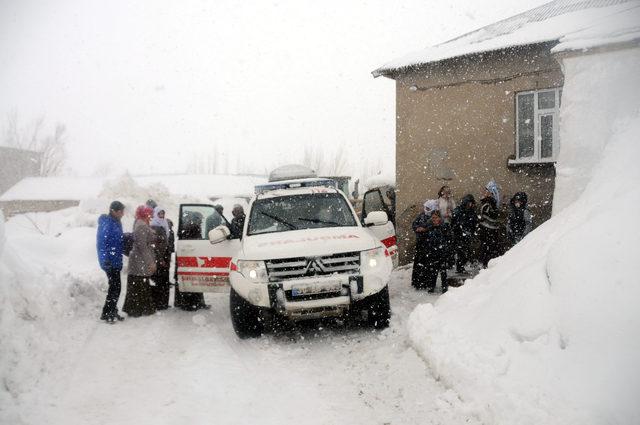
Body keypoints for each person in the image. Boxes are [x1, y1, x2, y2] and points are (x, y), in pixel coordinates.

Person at [123, 205, 157, 317]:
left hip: (138, 260)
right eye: (149, 214)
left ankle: (137, 309)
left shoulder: (140, 223)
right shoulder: (141, 226)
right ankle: (137, 309)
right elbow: (143, 247)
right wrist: (150, 262)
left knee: (138, 285)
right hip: (140, 260)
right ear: (144, 214)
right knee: (140, 285)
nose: (151, 216)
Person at [411, 200, 452, 293]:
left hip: (441, 252)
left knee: (442, 271)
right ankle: (429, 286)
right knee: (432, 270)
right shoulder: (429, 225)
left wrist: (446, 249)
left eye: (435, 218)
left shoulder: (443, 227)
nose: (434, 220)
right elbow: (418, 227)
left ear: (439, 218)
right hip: (431, 251)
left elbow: (448, 238)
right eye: (432, 218)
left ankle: (444, 287)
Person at [97, 200, 126, 323]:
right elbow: (102, 244)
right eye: (120, 211)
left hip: (116, 260)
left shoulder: (116, 222)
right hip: (109, 262)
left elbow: (118, 241)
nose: (122, 214)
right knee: (114, 287)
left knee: (116, 287)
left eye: (123, 211)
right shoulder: (107, 224)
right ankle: (108, 313)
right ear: (113, 211)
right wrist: (105, 261)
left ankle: (110, 310)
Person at [174, 211, 209, 311]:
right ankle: (191, 304)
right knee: (192, 280)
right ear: (195, 219)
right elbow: (193, 243)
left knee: (192, 279)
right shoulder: (192, 227)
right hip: (189, 257)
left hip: (188, 256)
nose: (201, 222)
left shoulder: (188, 227)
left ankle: (192, 303)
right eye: (200, 219)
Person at [150, 206, 171, 310]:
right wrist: (160, 259)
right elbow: (154, 246)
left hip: (164, 256)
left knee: (164, 281)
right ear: (155, 214)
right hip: (158, 258)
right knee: (158, 281)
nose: (161, 216)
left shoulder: (164, 224)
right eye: (159, 214)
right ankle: (157, 303)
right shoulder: (153, 226)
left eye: (163, 214)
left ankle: (163, 303)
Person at [477, 180, 502, 268]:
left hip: (488, 230)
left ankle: (486, 264)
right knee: (489, 247)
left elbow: (487, 215)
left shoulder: (489, 203)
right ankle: (486, 263)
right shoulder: (489, 203)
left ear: (491, 192)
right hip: (489, 230)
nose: (484, 192)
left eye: (486, 190)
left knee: (487, 247)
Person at [451, 194, 477, 273]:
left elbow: (473, 221)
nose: (471, 205)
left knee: (466, 251)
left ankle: (461, 266)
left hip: (467, 234)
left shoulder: (471, 211)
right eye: (469, 203)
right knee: (461, 252)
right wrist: (460, 228)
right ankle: (460, 268)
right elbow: (454, 223)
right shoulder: (458, 210)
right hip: (459, 235)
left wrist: (472, 231)